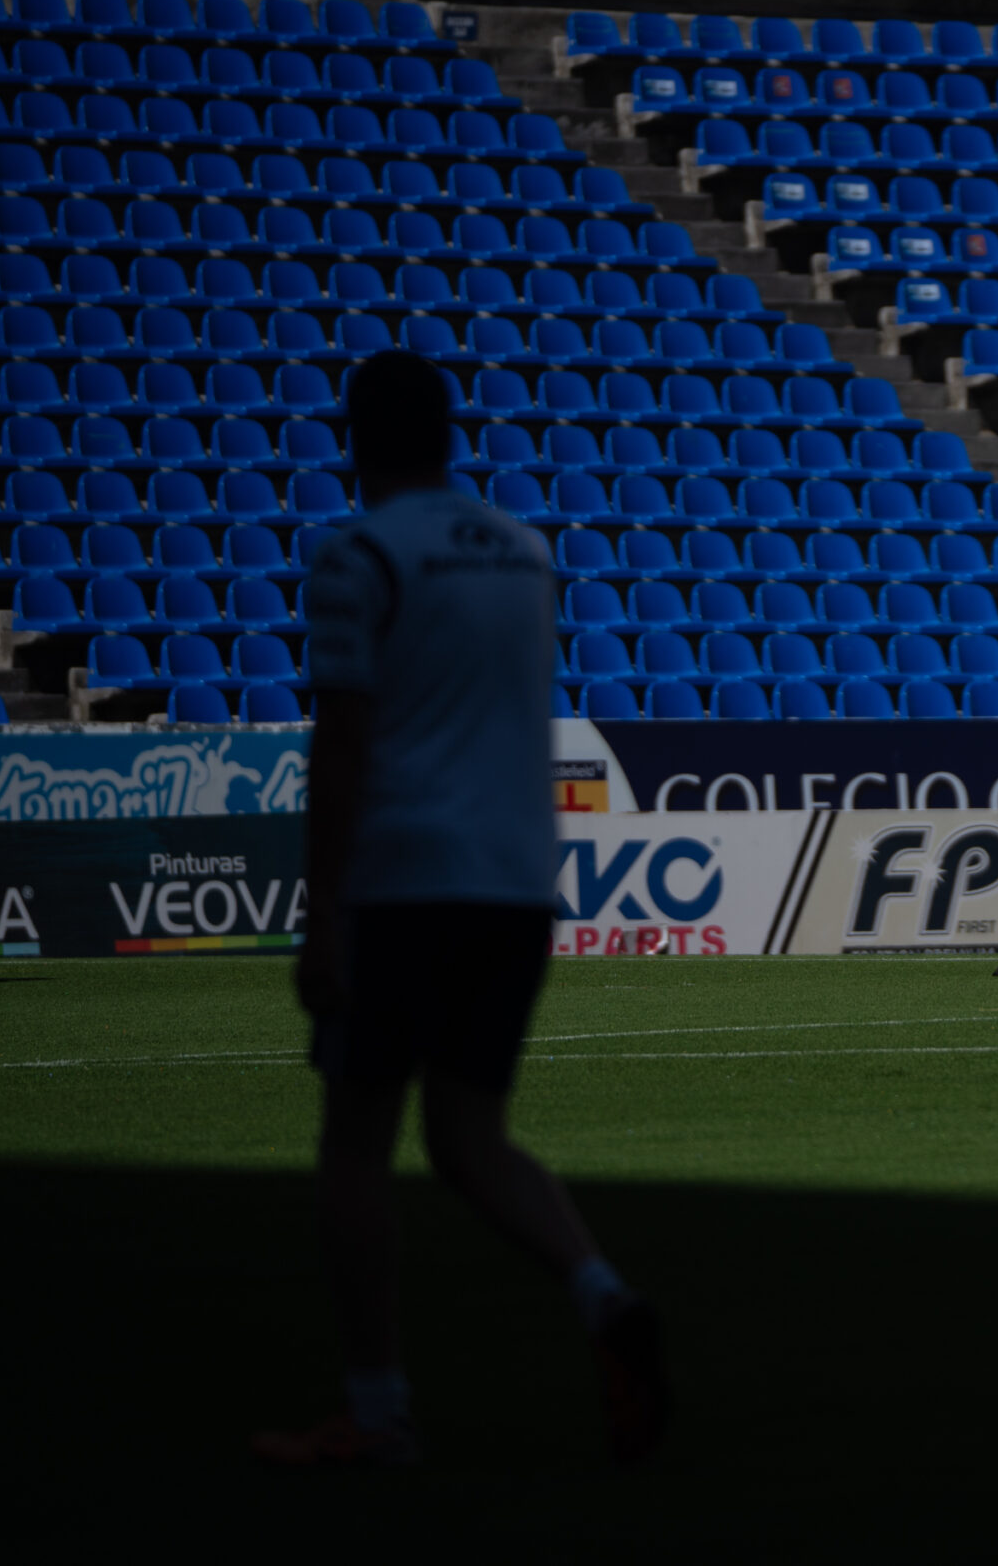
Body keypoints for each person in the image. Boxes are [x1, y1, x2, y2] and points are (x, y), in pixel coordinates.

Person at [255, 353, 666, 1469]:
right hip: (515, 881)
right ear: (448, 433)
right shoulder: (522, 550)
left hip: (403, 881)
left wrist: (321, 916)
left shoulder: (359, 554)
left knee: (356, 1142)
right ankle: (605, 1297)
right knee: (468, 1134)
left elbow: (344, 746)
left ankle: (377, 1411)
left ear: (356, 437)